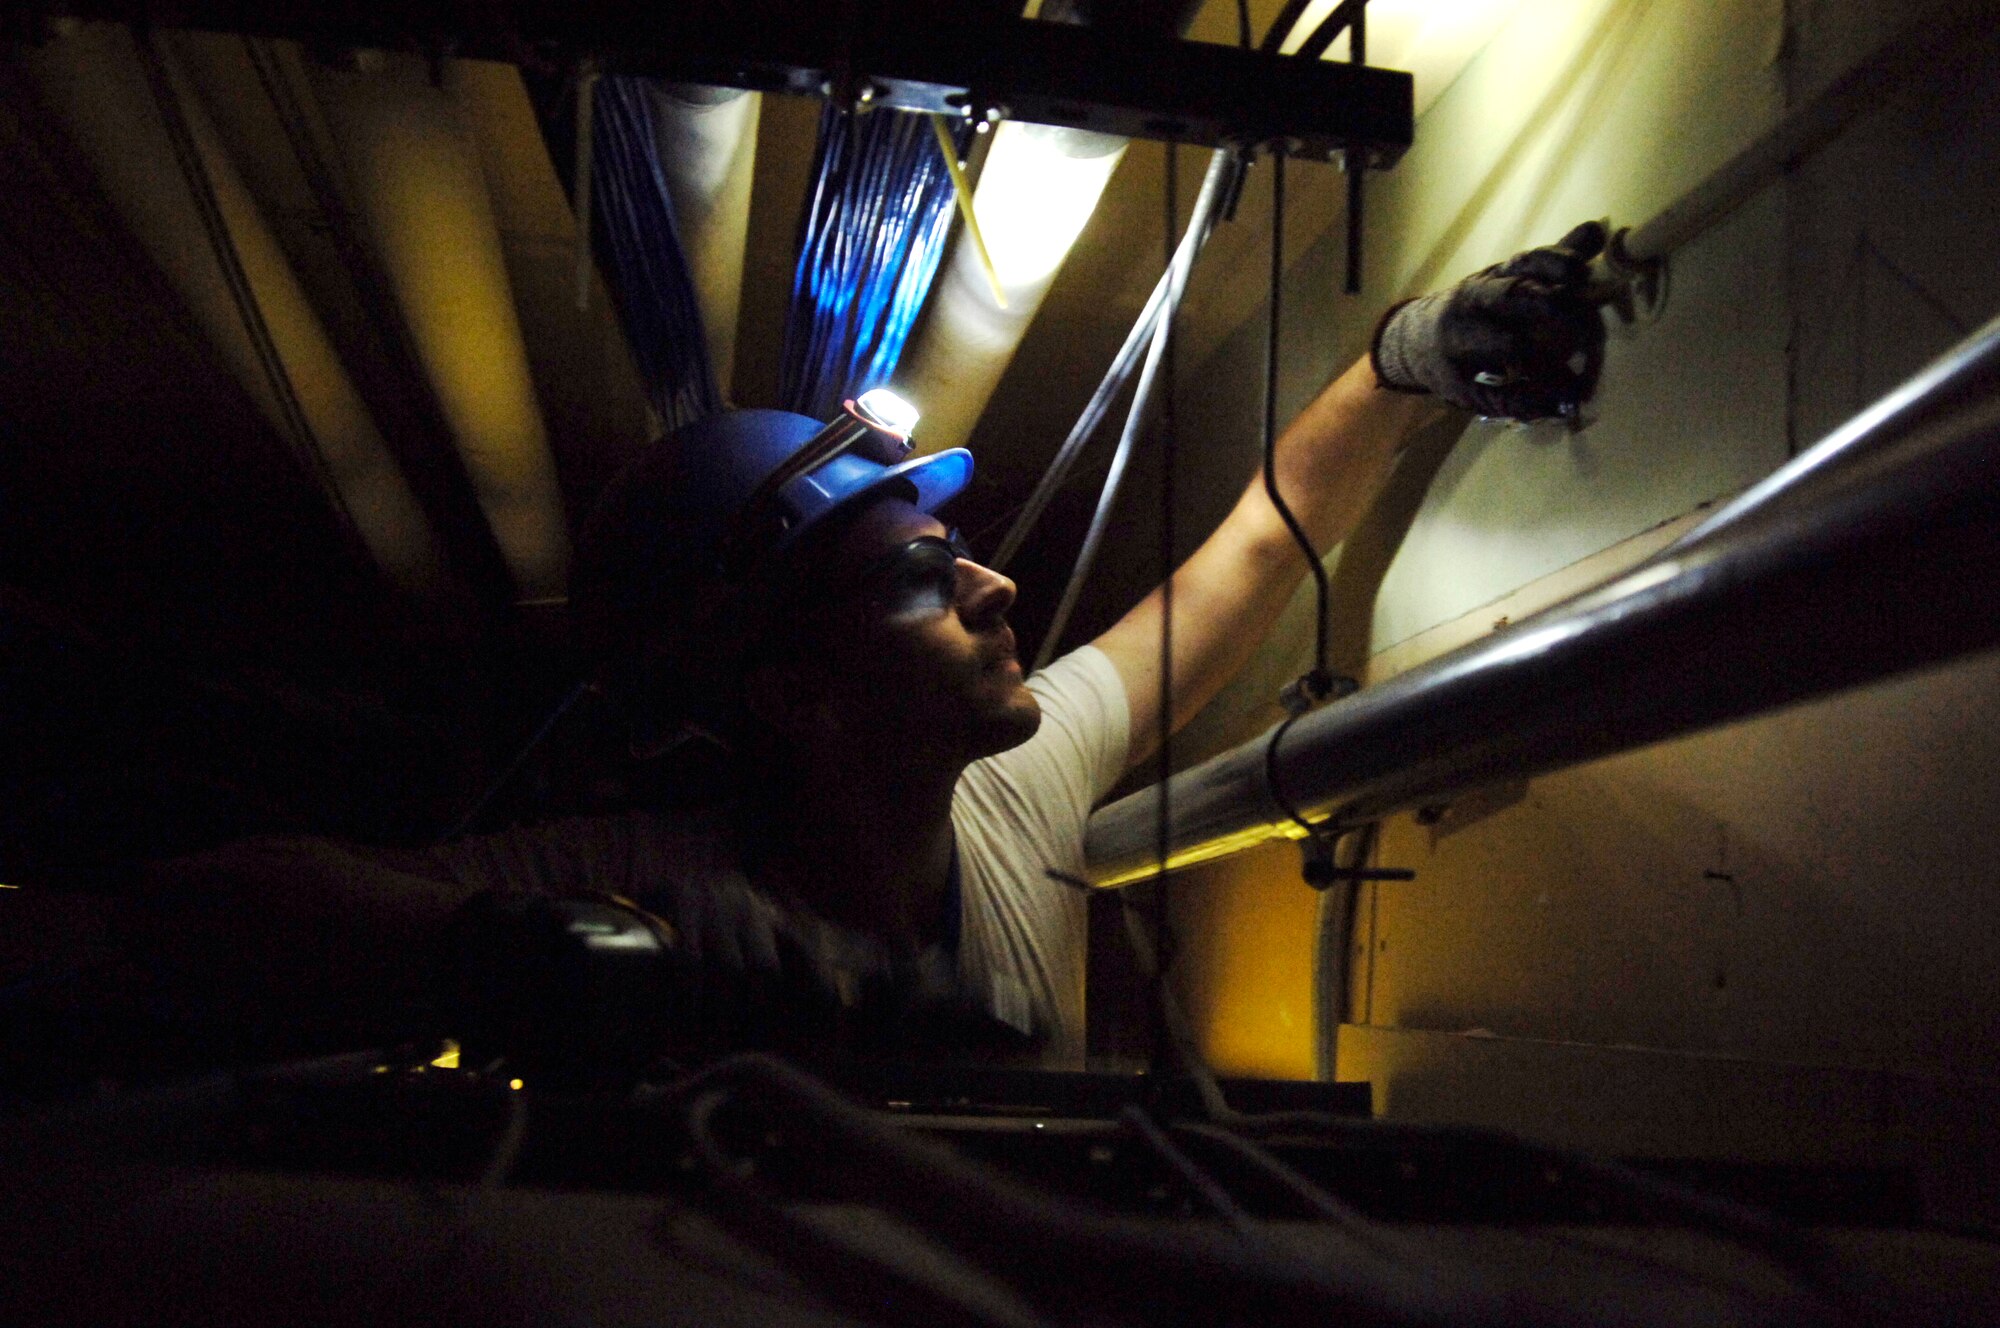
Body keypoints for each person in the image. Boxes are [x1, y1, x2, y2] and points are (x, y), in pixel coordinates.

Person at [124, 222, 1610, 1076]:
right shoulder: (641, 880)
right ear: (793, 695)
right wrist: (563, 955)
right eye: (921, 576)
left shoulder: (1017, 795)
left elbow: (1257, 548)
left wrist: (1407, 356)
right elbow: (209, 908)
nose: (997, 584)